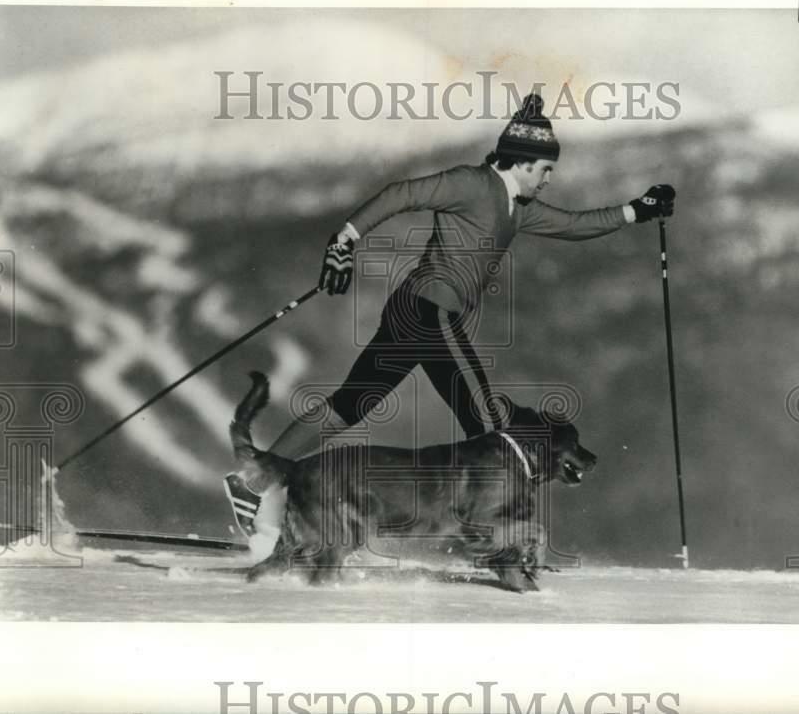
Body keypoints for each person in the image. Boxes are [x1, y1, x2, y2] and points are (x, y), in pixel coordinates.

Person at [224, 93, 675, 536]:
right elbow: (403, 193)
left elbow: (575, 225)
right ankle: (494, 533)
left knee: (350, 405)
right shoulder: (472, 183)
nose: (549, 179)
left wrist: (638, 210)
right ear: (522, 162)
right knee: (488, 421)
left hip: (413, 314)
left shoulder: (517, 209)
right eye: (546, 169)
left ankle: (252, 483)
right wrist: (344, 239)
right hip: (429, 313)